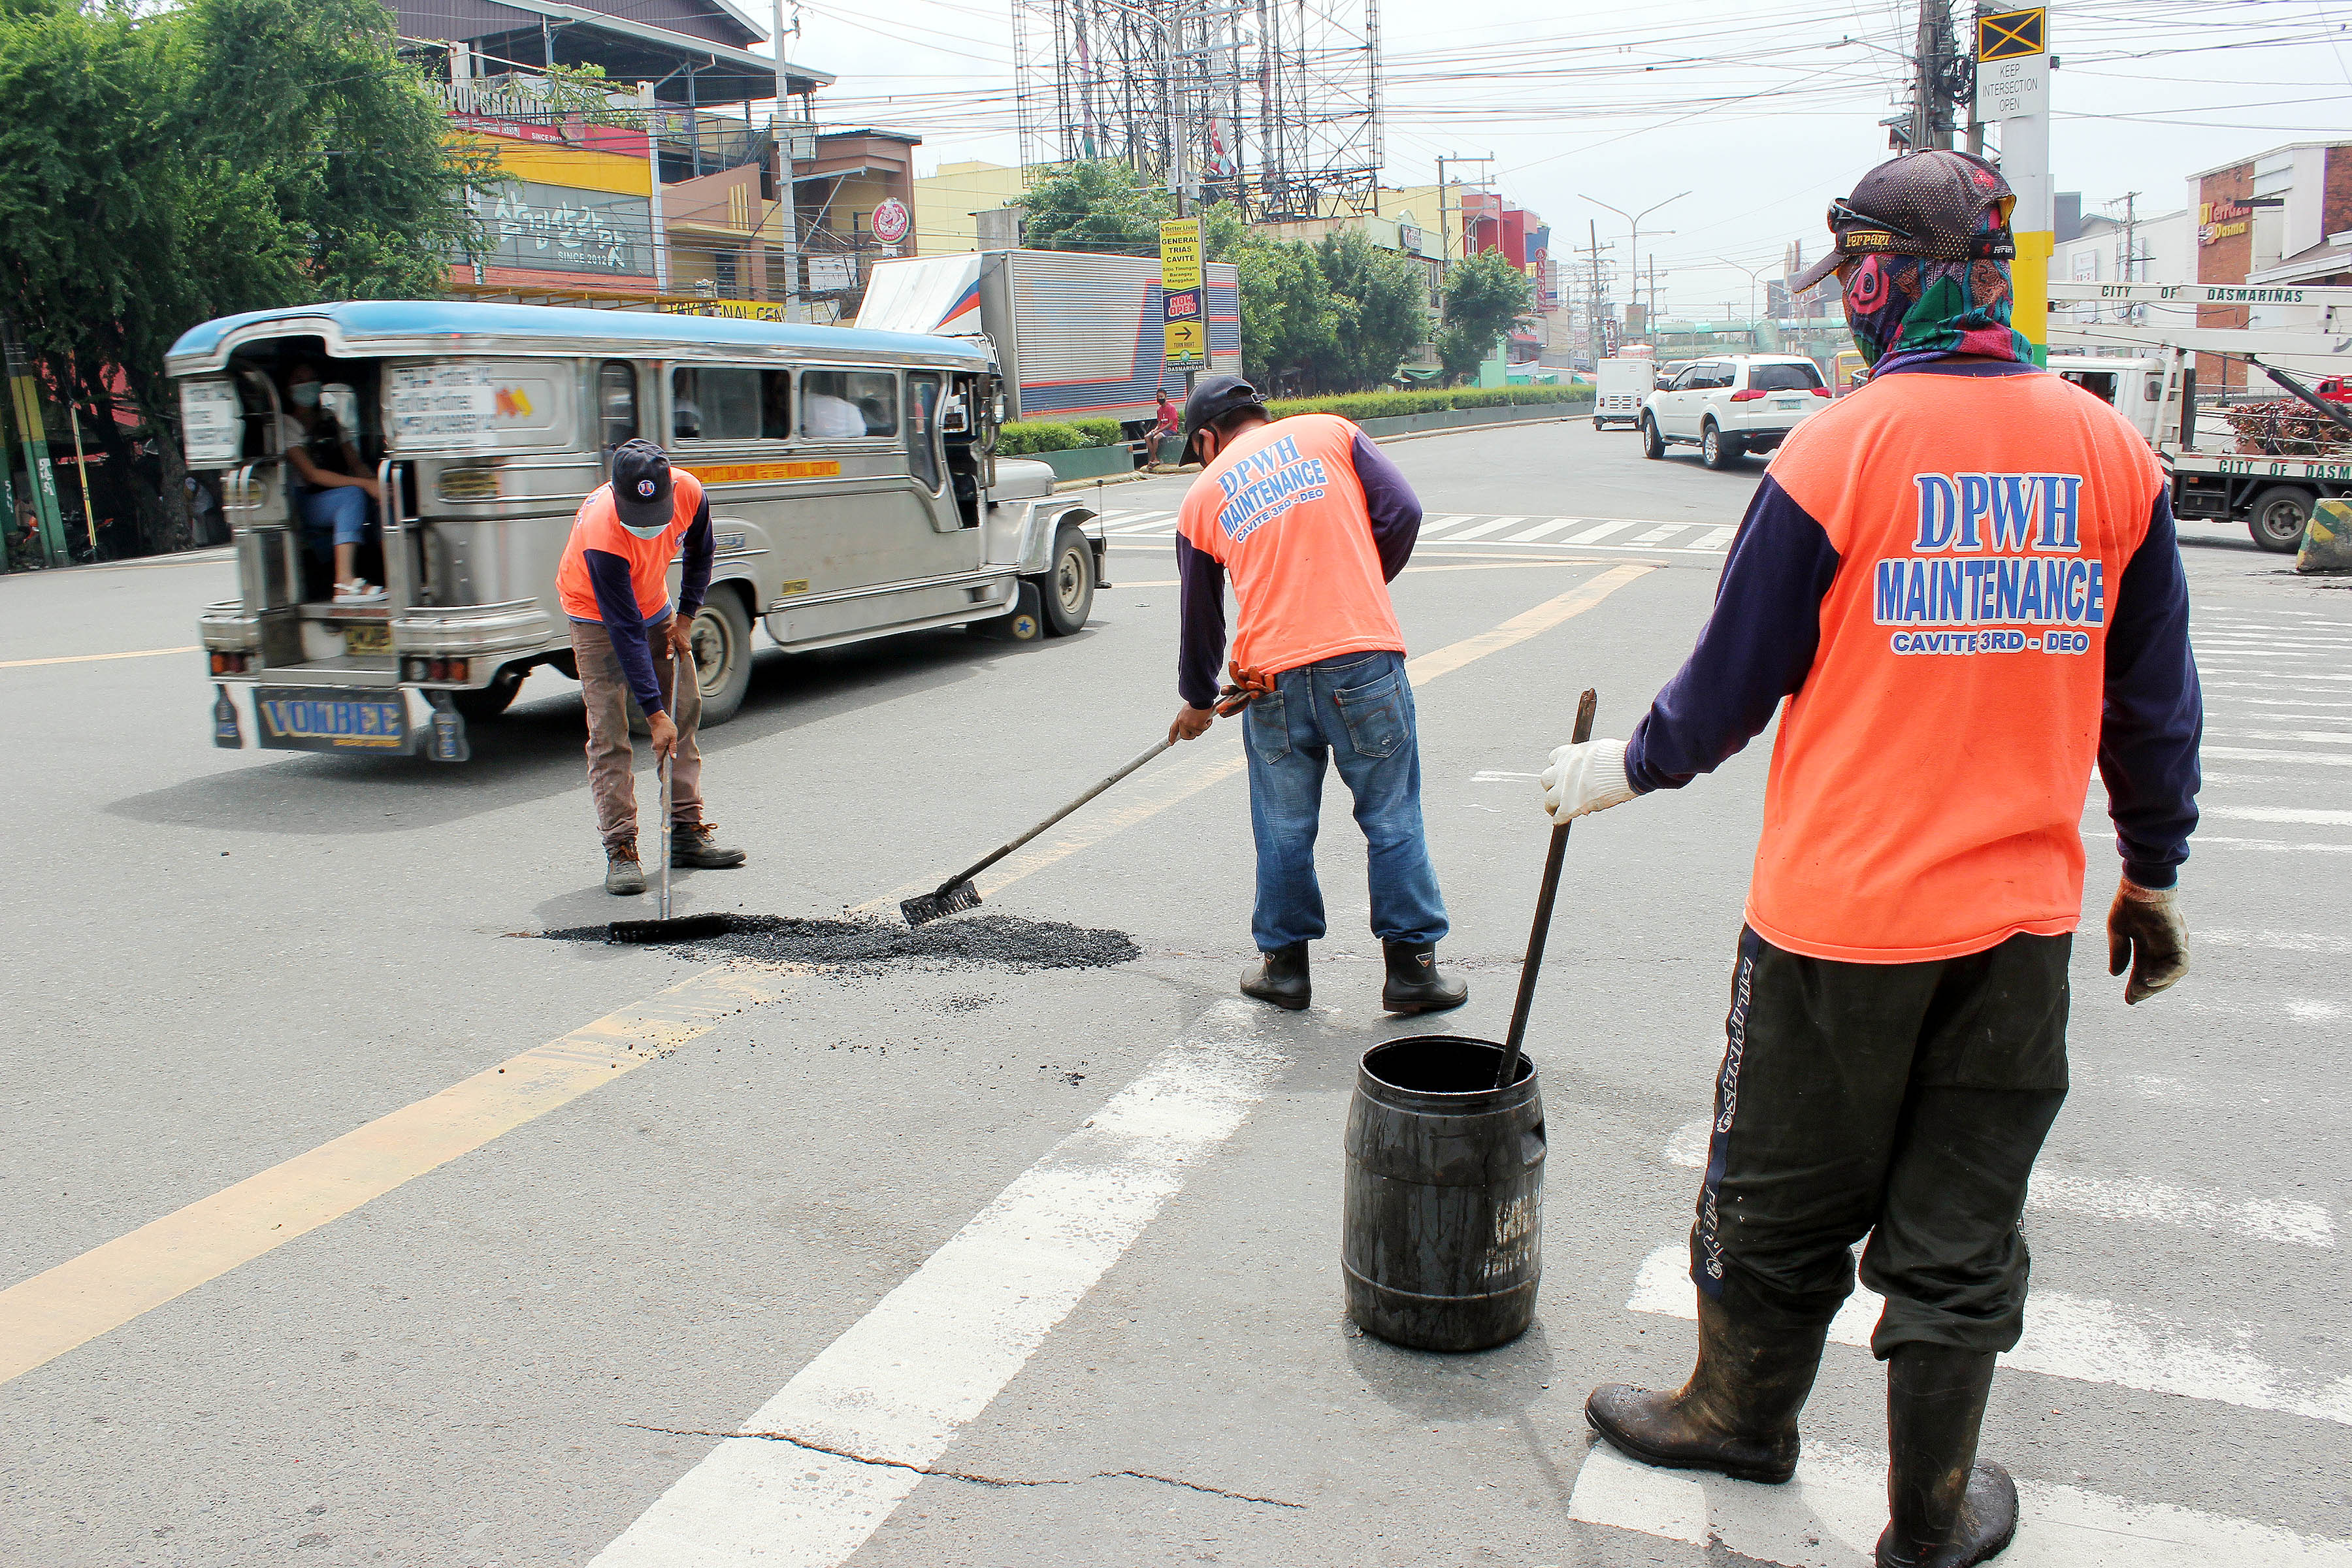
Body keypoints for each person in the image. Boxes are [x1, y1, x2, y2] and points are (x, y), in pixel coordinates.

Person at [1541, 151, 2200, 1568]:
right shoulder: (2109, 453)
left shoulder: (1840, 450)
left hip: (1837, 923)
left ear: (1891, 275)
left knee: (1775, 1187)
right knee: (1963, 1224)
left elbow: (1732, 680)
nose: (1849, 302)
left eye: (1854, 275)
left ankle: (1738, 1415)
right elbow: (2153, 703)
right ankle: (1931, 1517)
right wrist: (2151, 869)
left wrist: (1629, 766)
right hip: (2019, 927)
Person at [1166, 374, 1467, 1015]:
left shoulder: (1201, 498)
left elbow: (1201, 616)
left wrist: (1197, 699)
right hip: (1364, 660)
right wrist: (1357, 584)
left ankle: (1285, 970)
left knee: (1283, 826)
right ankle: (1412, 974)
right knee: (1391, 814)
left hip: (1268, 680)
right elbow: (1403, 512)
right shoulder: (1331, 432)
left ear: (1205, 438)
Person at [555, 438, 747, 895]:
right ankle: (621, 848)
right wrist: (652, 715)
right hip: (595, 615)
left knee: (683, 709)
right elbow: (624, 631)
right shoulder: (602, 532)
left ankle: (685, 832)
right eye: (637, 519)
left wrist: (684, 617)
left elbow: (702, 552)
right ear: (617, 496)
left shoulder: (690, 492)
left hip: (655, 603)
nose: (647, 528)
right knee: (610, 731)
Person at [279, 361, 382, 604]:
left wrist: (374, 483)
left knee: (384, 496)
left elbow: (354, 461)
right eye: (299, 380)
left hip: (334, 490)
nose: (307, 385)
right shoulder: (285, 425)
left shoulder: (329, 420)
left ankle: (394, 572)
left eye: (311, 379)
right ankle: (344, 582)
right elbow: (311, 474)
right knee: (353, 496)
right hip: (303, 500)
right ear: (288, 389)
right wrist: (363, 485)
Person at [1153, 391, 1181, 466]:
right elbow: (1159, 423)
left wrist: (1159, 431)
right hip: (1162, 430)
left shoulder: (1171, 408)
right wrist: (1155, 430)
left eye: (1161, 397)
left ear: (1166, 397)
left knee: (1156, 438)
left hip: (1170, 430)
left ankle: (1154, 458)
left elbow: (1171, 424)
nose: (1160, 398)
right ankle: (1154, 457)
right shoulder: (1159, 410)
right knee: (1147, 437)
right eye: (1158, 397)